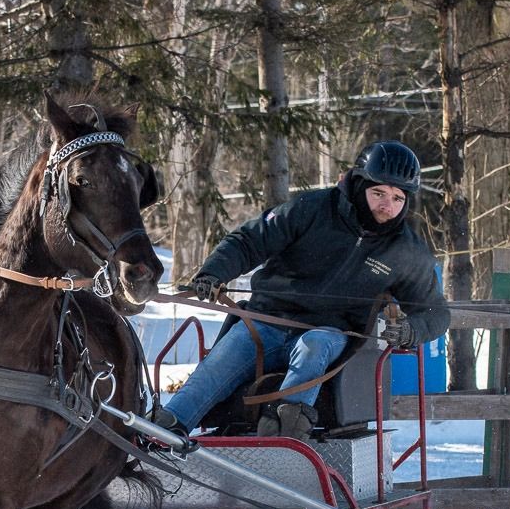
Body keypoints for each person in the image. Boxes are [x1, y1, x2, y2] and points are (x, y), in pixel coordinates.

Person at [154, 140, 450, 440]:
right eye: (379, 194)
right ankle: (161, 434)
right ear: (360, 185)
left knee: (314, 345)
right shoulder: (311, 209)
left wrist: (411, 330)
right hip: (265, 322)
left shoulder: (406, 251)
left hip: (330, 333)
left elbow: (435, 313)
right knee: (216, 368)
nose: (387, 206)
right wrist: (215, 271)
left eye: (398, 198)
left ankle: (285, 428)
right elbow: (249, 240)